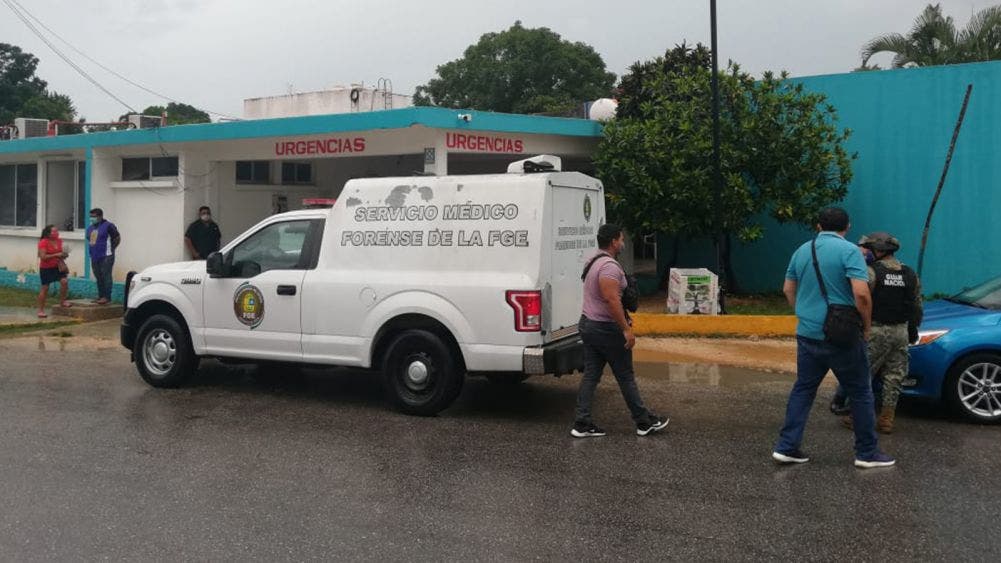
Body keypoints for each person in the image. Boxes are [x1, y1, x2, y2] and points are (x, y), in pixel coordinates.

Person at [773, 207, 895, 468]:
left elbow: (787, 289)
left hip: (808, 334)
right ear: (847, 227)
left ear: (818, 226)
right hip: (842, 335)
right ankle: (867, 452)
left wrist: (804, 314)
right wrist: (866, 326)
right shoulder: (850, 251)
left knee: (803, 389)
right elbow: (861, 294)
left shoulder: (802, 250)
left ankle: (786, 447)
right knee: (860, 391)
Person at [571, 224, 669, 438]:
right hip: (606, 329)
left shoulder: (592, 260)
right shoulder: (609, 267)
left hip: (589, 324)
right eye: (621, 239)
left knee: (591, 376)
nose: (623, 243)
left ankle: (582, 423)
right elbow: (611, 299)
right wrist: (625, 329)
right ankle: (643, 422)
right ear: (614, 241)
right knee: (625, 376)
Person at [846, 232, 923, 434]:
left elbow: (861, 299)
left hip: (876, 330)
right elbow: (917, 305)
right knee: (895, 376)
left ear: (878, 251)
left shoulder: (871, 272)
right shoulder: (909, 273)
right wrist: (913, 328)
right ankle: (887, 419)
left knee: (864, 373)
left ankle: (857, 417)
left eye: (869, 249)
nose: (866, 252)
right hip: (901, 331)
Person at [829, 236, 878, 416]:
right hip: (855, 323)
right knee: (857, 369)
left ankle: (843, 401)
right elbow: (861, 296)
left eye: (867, 248)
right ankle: (847, 404)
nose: (865, 251)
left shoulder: (864, 267)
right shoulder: (862, 269)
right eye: (863, 247)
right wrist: (866, 326)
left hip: (849, 322)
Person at [85, 208, 120, 305]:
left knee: (106, 276)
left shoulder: (108, 226)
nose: (92, 218)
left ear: (100, 216)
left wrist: (112, 248)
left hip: (106, 256)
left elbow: (117, 238)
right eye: (90, 216)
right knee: (98, 276)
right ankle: (101, 296)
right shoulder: (90, 228)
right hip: (95, 256)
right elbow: (89, 239)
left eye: (94, 216)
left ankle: (107, 297)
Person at [36, 225, 70, 318]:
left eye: (57, 231)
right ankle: (41, 310)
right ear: (48, 233)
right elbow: (43, 257)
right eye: (54, 231)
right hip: (46, 268)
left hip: (58, 266)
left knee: (64, 282)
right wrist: (56, 255)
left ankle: (62, 301)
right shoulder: (43, 242)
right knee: (45, 288)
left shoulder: (60, 241)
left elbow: (62, 253)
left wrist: (64, 255)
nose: (56, 233)